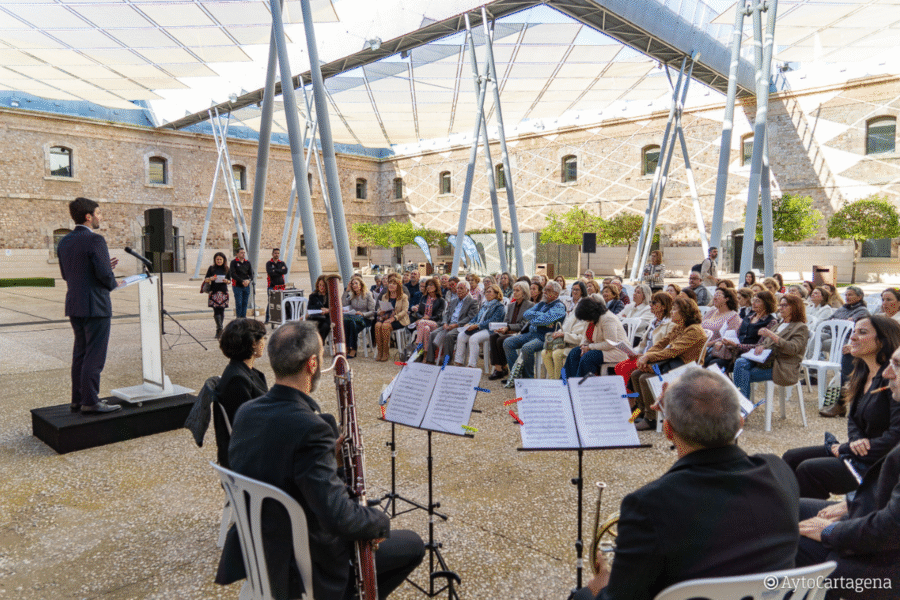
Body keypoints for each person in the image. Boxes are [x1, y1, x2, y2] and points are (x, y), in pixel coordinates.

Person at [215, 321, 425, 600]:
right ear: (312, 364)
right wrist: (378, 522)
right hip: (303, 563)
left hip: (260, 547)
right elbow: (339, 518)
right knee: (412, 544)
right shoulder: (312, 428)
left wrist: (333, 463)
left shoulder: (246, 412)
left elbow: (282, 469)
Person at [575, 368, 800, 600]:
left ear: (668, 431)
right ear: (740, 422)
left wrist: (598, 588)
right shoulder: (779, 471)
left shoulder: (649, 505)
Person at [795, 343, 900, 599]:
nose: (887, 373)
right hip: (875, 524)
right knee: (788, 506)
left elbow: (889, 529)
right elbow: (852, 419)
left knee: (781, 538)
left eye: (897, 366)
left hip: (884, 566)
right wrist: (850, 503)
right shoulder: (863, 376)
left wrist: (830, 531)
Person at [783, 315, 900, 499]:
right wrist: (855, 441)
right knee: (791, 457)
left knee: (809, 470)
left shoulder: (893, 381)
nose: (852, 337)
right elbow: (853, 419)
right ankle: (788, 511)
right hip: (858, 450)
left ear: (883, 341)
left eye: (862, 333)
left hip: (878, 461)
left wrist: (846, 448)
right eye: (854, 332)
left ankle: (810, 520)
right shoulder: (862, 373)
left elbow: (896, 437)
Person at [57, 197, 121, 414]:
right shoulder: (95, 240)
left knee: (80, 354)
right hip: (96, 305)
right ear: (88, 216)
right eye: (98, 213)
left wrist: (103, 266)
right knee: (94, 355)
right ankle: (91, 401)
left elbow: (68, 273)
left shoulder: (64, 241)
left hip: (75, 303)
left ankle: (77, 399)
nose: (100, 217)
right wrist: (113, 281)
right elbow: (103, 275)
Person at [630, 297, 707, 430]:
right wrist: (647, 356)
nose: (671, 312)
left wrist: (648, 357)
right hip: (673, 363)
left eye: (675, 310)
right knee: (636, 374)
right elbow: (661, 344)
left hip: (686, 367)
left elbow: (673, 351)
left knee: (645, 378)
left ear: (685, 312)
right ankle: (641, 411)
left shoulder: (694, 330)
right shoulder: (679, 327)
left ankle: (651, 418)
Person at [732, 295, 810, 401]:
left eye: (784, 305)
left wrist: (772, 335)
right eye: (780, 305)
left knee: (741, 374)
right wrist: (762, 346)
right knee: (740, 362)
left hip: (781, 366)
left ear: (795, 307)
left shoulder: (800, 327)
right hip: (765, 360)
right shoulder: (779, 324)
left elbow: (792, 349)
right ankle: (742, 408)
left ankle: (741, 409)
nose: (780, 308)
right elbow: (766, 343)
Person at [214, 318, 268, 468]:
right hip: (249, 457)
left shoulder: (243, 371)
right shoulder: (237, 379)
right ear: (252, 344)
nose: (264, 342)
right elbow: (247, 426)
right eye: (262, 338)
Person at [819, 285, 871, 418]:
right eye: (846, 295)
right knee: (815, 337)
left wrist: (855, 346)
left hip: (848, 340)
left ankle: (842, 403)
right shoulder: (843, 308)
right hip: (835, 336)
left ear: (859, 297)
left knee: (848, 354)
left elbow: (851, 329)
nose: (847, 297)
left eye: (851, 295)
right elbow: (828, 321)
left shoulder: (862, 311)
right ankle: (841, 404)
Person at [503, 281, 566, 382]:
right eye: (545, 289)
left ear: (556, 294)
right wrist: (542, 318)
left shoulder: (559, 307)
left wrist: (538, 319)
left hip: (545, 337)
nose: (544, 291)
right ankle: (517, 376)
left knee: (527, 348)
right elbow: (526, 314)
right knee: (508, 342)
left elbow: (544, 320)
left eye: (548, 290)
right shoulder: (542, 303)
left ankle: (528, 379)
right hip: (531, 334)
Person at [614, 292, 675, 389]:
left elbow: (666, 347)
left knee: (626, 368)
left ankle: (631, 399)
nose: (650, 305)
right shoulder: (653, 321)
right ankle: (630, 397)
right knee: (618, 366)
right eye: (650, 302)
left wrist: (646, 356)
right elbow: (644, 343)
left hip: (655, 359)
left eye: (654, 303)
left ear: (663, 307)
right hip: (644, 355)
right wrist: (636, 352)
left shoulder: (670, 324)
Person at [706, 291, 777, 372]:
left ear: (767, 304)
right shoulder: (749, 317)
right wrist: (725, 342)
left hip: (751, 356)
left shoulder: (771, 322)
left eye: (757, 301)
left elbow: (760, 345)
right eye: (753, 300)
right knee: (707, 359)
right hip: (735, 352)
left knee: (715, 364)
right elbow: (736, 335)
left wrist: (736, 345)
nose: (753, 303)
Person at [562, 297, 628, 378]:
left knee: (588, 357)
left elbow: (610, 343)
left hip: (615, 351)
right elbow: (585, 337)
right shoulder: (591, 319)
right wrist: (583, 346)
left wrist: (589, 347)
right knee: (574, 353)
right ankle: (568, 382)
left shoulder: (608, 319)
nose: (585, 321)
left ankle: (583, 386)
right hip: (599, 348)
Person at [488, 282, 534, 380]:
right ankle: (499, 369)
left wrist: (508, 327)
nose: (514, 293)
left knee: (501, 340)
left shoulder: (530, 305)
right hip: (508, 331)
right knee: (493, 336)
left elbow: (524, 325)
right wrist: (502, 328)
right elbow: (506, 321)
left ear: (524, 292)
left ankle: (506, 369)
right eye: (514, 290)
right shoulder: (511, 305)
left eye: (517, 290)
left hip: (520, 333)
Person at [542, 282, 588, 379]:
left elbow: (581, 339)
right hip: (564, 342)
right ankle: (553, 379)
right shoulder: (573, 311)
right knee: (544, 352)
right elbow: (565, 326)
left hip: (575, 345)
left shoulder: (585, 318)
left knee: (557, 354)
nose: (574, 291)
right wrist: (558, 333)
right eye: (573, 289)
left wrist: (563, 335)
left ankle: (558, 381)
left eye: (577, 290)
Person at [454, 284, 506, 368]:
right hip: (478, 328)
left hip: (490, 330)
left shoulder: (499, 306)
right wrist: (469, 323)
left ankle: (472, 365)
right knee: (461, 335)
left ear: (496, 294)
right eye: (486, 292)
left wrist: (477, 325)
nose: (487, 294)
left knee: (473, 339)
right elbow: (477, 317)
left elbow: (492, 321)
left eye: (489, 292)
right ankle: (458, 361)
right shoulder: (485, 304)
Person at [426, 281, 477, 364]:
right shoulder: (453, 301)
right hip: (449, 324)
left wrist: (456, 325)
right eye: (458, 288)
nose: (459, 290)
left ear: (467, 291)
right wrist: (445, 323)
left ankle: (447, 361)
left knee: (449, 336)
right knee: (433, 334)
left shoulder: (472, 302)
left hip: (460, 326)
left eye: (461, 288)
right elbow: (446, 314)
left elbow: (470, 317)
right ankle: (430, 360)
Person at [374, 275, 409, 362]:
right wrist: (380, 311)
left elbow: (404, 311)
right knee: (377, 325)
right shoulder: (385, 296)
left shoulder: (403, 296)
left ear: (398, 286)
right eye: (390, 283)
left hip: (399, 319)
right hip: (386, 317)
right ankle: (380, 351)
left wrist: (394, 318)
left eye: (394, 284)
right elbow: (380, 308)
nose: (391, 285)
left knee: (385, 326)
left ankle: (386, 352)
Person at [409, 277, 445, 360]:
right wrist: (422, 318)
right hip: (424, 324)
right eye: (427, 285)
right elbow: (418, 312)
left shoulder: (441, 300)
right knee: (426, 329)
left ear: (436, 287)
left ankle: (417, 345)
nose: (428, 287)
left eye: (431, 285)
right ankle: (425, 355)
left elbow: (439, 315)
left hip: (435, 323)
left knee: (422, 323)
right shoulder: (424, 298)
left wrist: (427, 319)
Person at [341, 275, 375, 358]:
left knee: (351, 323)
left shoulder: (368, 295)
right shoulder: (352, 295)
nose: (354, 285)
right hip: (354, 318)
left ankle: (351, 348)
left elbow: (373, 311)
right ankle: (350, 347)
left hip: (365, 318)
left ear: (361, 285)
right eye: (352, 284)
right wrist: (346, 290)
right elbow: (344, 304)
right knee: (346, 321)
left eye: (356, 283)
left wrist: (363, 314)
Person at [700, 288, 741, 353]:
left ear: (727, 299)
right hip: (700, 345)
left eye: (718, 295)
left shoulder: (733, 316)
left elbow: (728, 338)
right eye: (714, 295)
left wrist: (707, 344)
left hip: (715, 349)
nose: (714, 298)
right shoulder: (711, 311)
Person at [203, 251, 231, 340]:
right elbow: (206, 279)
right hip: (214, 291)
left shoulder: (227, 269)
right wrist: (211, 278)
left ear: (224, 260)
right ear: (215, 260)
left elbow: (230, 280)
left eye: (220, 259)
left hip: (223, 292)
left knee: (222, 311)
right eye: (217, 259)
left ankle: (219, 329)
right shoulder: (211, 268)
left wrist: (227, 281)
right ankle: (219, 329)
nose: (219, 261)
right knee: (216, 311)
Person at [306, 275, 333, 344]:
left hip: (327, 317)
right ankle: (312, 343)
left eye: (323, 285)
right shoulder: (313, 295)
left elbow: (335, 307)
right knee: (309, 325)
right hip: (316, 316)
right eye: (320, 285)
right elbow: (309, 308)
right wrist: (320, 309)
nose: (321, 287)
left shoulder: (331, 295)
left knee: (325, 326)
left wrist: (328, 310)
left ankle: (320, 343)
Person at [264, 248, 287, 324]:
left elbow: (285, 271)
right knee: (271, 302)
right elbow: (270, 273)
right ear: (272, 254)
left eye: (278, 253)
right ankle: (267, 319)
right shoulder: (269, 263)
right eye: (275, 253)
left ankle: (280, 318)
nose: (276, 254)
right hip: (272, 286)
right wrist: (280, 270)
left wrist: (276, 270)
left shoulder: (282, 263)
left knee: (281, 302)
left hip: (281, 286)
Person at [230, 248, 253, 319]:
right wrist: (242, 281)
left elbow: (251, 274)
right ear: (237, 254)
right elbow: (233, 274)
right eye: (241, 252)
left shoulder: (247, 263)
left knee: (245, 303)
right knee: (239, 303)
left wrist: (249, 280)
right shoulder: (233, 262)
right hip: (237, 286)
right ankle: (239, 318)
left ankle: (244, 318)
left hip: (246, 286)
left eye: (244, 252)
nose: (243, 254)